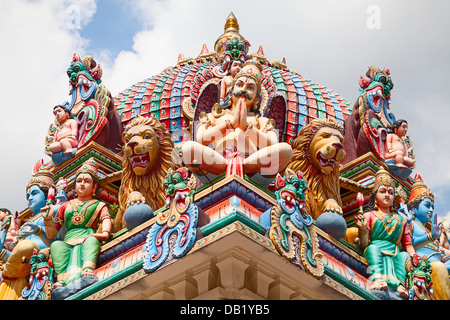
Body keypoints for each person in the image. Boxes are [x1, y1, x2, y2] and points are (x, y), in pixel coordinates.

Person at [182, 60, 292, 177]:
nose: (243, 89)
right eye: (239, 85)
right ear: (230, 94)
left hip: (251, 162)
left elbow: (273, 144)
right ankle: (229, 168)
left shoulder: (261, 121)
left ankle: (243, 168)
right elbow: (200, 139)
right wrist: (230, 124)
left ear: (257, 100)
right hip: (217, 161)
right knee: (189, 148)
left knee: (285, 150)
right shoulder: (214, 116)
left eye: (250, 88)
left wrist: (247, 127)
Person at [42, 158, 112, 287]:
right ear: (74, 185)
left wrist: (104, 234)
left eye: (87, 181)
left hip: (87, 236)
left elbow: (106, 221)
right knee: (56, 246)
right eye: (79, 181)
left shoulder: (100, 205)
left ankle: (88, 268)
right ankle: (61, 279)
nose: (82, 184)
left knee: (90, 242)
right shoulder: (65, 206)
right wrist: (47, 219)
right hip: (68, 239)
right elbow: (52, 235)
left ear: (94, 186)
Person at [354, 167, 417, 298]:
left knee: (404, 256)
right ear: (375, 197)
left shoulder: (401, 220)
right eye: (382, 191)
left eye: (391, 192)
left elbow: (408, 245)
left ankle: (399, 284)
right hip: (376, 250)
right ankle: (378, 278)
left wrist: (416, 258)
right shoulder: (369, 215)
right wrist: (362, 229)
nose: (387, 195)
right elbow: (364, 245)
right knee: (372, 249)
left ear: (394, 197)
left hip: (394, 253)